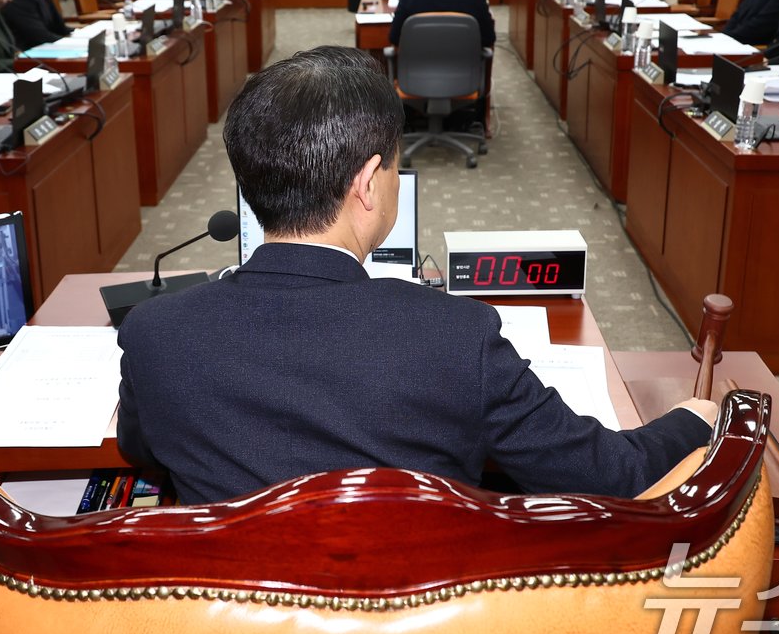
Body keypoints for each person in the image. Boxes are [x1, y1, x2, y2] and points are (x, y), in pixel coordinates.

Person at [116, 47, 716, 505]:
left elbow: (141, 447)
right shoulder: (457, 336)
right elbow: (611, 476)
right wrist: (696, 419)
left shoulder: (153, 333)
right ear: (368, 183)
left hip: (242, 620)